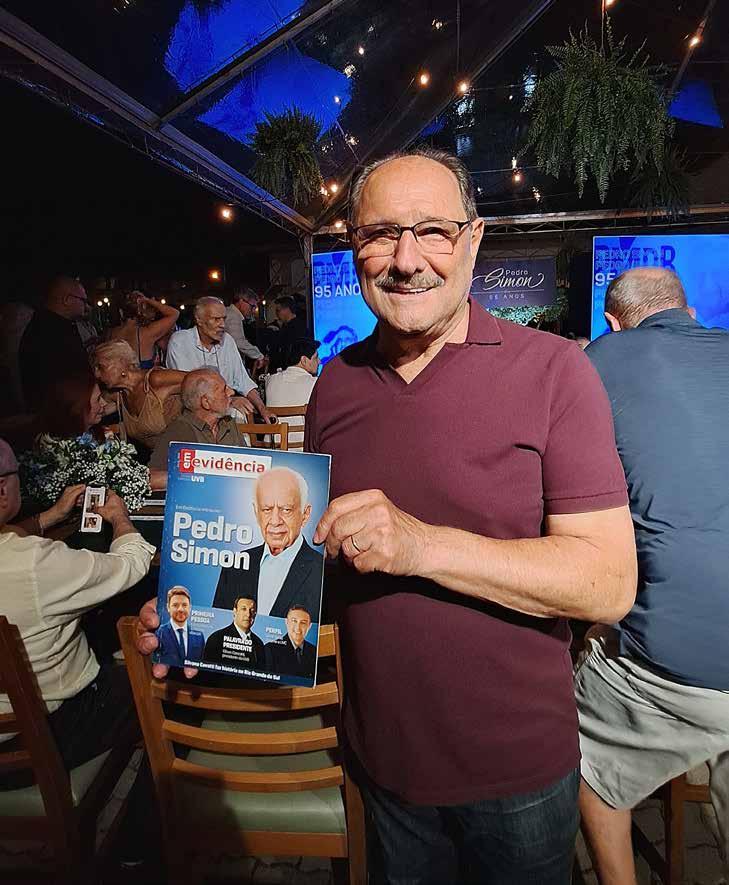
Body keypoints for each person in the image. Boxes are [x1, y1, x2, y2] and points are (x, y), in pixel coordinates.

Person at [135, 146, 635, 885]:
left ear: (473, 240)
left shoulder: (556, 371)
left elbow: (607, 584)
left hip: (516, 769)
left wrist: (421, 545)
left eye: (433, 230)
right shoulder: (335, 386)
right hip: (381, 759)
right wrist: (201, 611)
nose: (406, 260)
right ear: (353, 247)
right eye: (380, 234)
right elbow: (321, 566)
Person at [575, 267, 729, 884]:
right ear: (688, 312)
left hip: (682, 658)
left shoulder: (599, 361)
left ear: (613, 322)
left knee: (583, 762)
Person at [0, 438, 155, 775]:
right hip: (42, 739)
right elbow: (131, 564)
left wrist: (52, 515)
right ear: (2, 490)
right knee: (158, 686)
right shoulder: (33, 563)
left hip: (10, 742)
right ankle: (151, 801)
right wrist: (120, 518)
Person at [212, 467, 323, 619]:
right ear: (256, 512)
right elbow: (219, 624)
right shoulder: (234, 564)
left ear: (305, 513)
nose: (275, 521)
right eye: (266, 509)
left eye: (286, 509)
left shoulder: (321, 570)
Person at [165, 296, 273, 422]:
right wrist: (230, 400)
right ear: (199, 320)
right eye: (216, 319)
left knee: (241, 413)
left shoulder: (228, 341)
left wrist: (263, 409)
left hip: (223, 407)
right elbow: (191, 390)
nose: (222, 325)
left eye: (224, 319)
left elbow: (243, 381)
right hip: (190, 412)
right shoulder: (180, 341)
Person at [148, 368, 249, 482]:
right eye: (223, 390)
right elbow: (151, 479)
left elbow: (248, 465)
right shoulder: (179, 430)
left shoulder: (228, 423)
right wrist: (193, 478)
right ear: (206, 402)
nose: (231, 392)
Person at [92, 341, 185, 451]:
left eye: (101, 367)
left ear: (120, 363)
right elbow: (89, 412)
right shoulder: (118, 394)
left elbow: (200, 381)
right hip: (160, 458)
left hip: (190, 453)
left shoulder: (155, 380)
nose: (97, 374)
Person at [19, 275, 91, 406]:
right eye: (83, 300)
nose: (86, 306)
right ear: (67, 300)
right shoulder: (47, 331)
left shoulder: (54, 325)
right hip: (60, 411)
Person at [265, 337, 319, 445]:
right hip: (302, 447)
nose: (319, 361)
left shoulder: (270, 380)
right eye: (316, 357)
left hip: (273, 446)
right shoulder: (315, 383)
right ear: (304, 360)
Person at [107, 290, 180, 369]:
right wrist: (147, 300)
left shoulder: (111, 333)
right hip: (140, 376)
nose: (153, 312)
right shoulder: (147, 332)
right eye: (149, 307)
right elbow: (175, 313)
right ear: (142, 311)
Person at [203, 596, 265, 667]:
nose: (248, 614)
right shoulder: (216, 638)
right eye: (244, 609)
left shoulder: (259, 644)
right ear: (235, 611)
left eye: (252, 611)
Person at [156, 587, 205, 667]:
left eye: (184, 605)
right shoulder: (160, 632)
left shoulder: (199, 637)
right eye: (175, 605)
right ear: (168, 607)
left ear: (190, 608)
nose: (180, 609)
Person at [264, 605, 316, 679]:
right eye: (294, 621)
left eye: (303, 623)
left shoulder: (314, 651)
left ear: (309, 626)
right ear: (287, 622)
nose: (298, 628)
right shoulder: (270, 649)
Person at [224, 288, 267, 370]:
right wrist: (259, 356)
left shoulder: (230, 313)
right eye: (252, 306)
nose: (253, 310)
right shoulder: (233, 316)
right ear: (241, 301)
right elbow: (239, 342)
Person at [271, 295, 308, 371]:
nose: (276, 314)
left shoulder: (297, 327)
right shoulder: (286, 326)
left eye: (278, 310)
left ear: (287, 309)